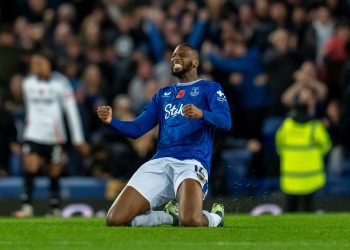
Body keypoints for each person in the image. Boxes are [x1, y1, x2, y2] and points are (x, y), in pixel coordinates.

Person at [97, 43, 231, 227]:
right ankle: (169, 217)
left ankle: (215, 217)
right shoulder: (163, 95)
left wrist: (203, 114)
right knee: (115, 220)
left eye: (182, 55)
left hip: (191, 162)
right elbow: (137, 129)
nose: (175, 58)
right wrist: (112, 122)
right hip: (160, 162)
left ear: (195, 62)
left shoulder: (210, 88)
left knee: (191, 220)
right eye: (173, 56)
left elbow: (226, 121)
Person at [14, 52, 89, 218]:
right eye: (33, 63)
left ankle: (54, 207)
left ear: (48, 64)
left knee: (54, 171)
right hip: (33, 134)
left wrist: (78, 139)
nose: (34, 66)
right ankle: (26, 206)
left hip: (54, 136)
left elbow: (71, 111)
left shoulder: (61, 83)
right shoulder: (28, 83)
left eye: (38, 62)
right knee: (30, 165)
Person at [276, 86, 331, 212]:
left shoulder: (287, 125)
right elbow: (326, 146)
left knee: (290, 211)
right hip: (312, 178)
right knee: (309, 210)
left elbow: (279, 147)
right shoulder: (315, 126)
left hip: (290, 177)